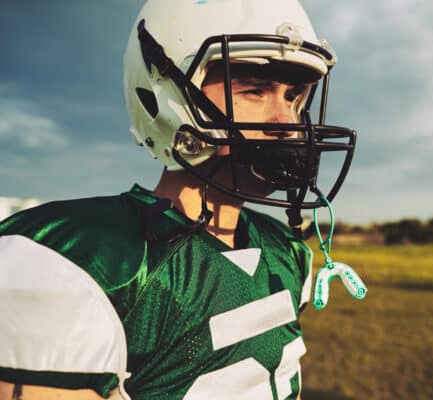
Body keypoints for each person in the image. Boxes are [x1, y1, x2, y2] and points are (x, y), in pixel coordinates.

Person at [0, 0, 357, 399]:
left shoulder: (286, 252)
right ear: (165, 93)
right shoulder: (85, 263)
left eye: (294, 98)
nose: (286, 123)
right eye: (255, 90)